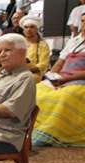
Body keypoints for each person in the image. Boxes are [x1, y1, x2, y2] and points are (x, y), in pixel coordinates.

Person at [33, 13, 85, 147]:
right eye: (83, 21)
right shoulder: (74, 40)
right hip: (62, 78)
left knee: (64, 97)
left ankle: (51, 133)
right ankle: (32, 130)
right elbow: (59, 63)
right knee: (36, 90)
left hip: (79, 81)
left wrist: (66, 79)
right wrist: (51, 76)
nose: (84, 24)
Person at [0, 33, 36, 155]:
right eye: (0, 51)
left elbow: (9, 111)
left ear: (22, 52)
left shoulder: (25, 78)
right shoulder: (1, 76)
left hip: (3, 136)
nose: (1, 55)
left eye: (7, 50)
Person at [20, 15, 50, 82]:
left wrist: (26, 72)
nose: (28, 29)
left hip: (34, 75)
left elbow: (43, 65)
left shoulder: (43, 45)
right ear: (23, 30)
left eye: (32, 27)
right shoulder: (19, 43)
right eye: (26, 27)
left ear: (37, 29)